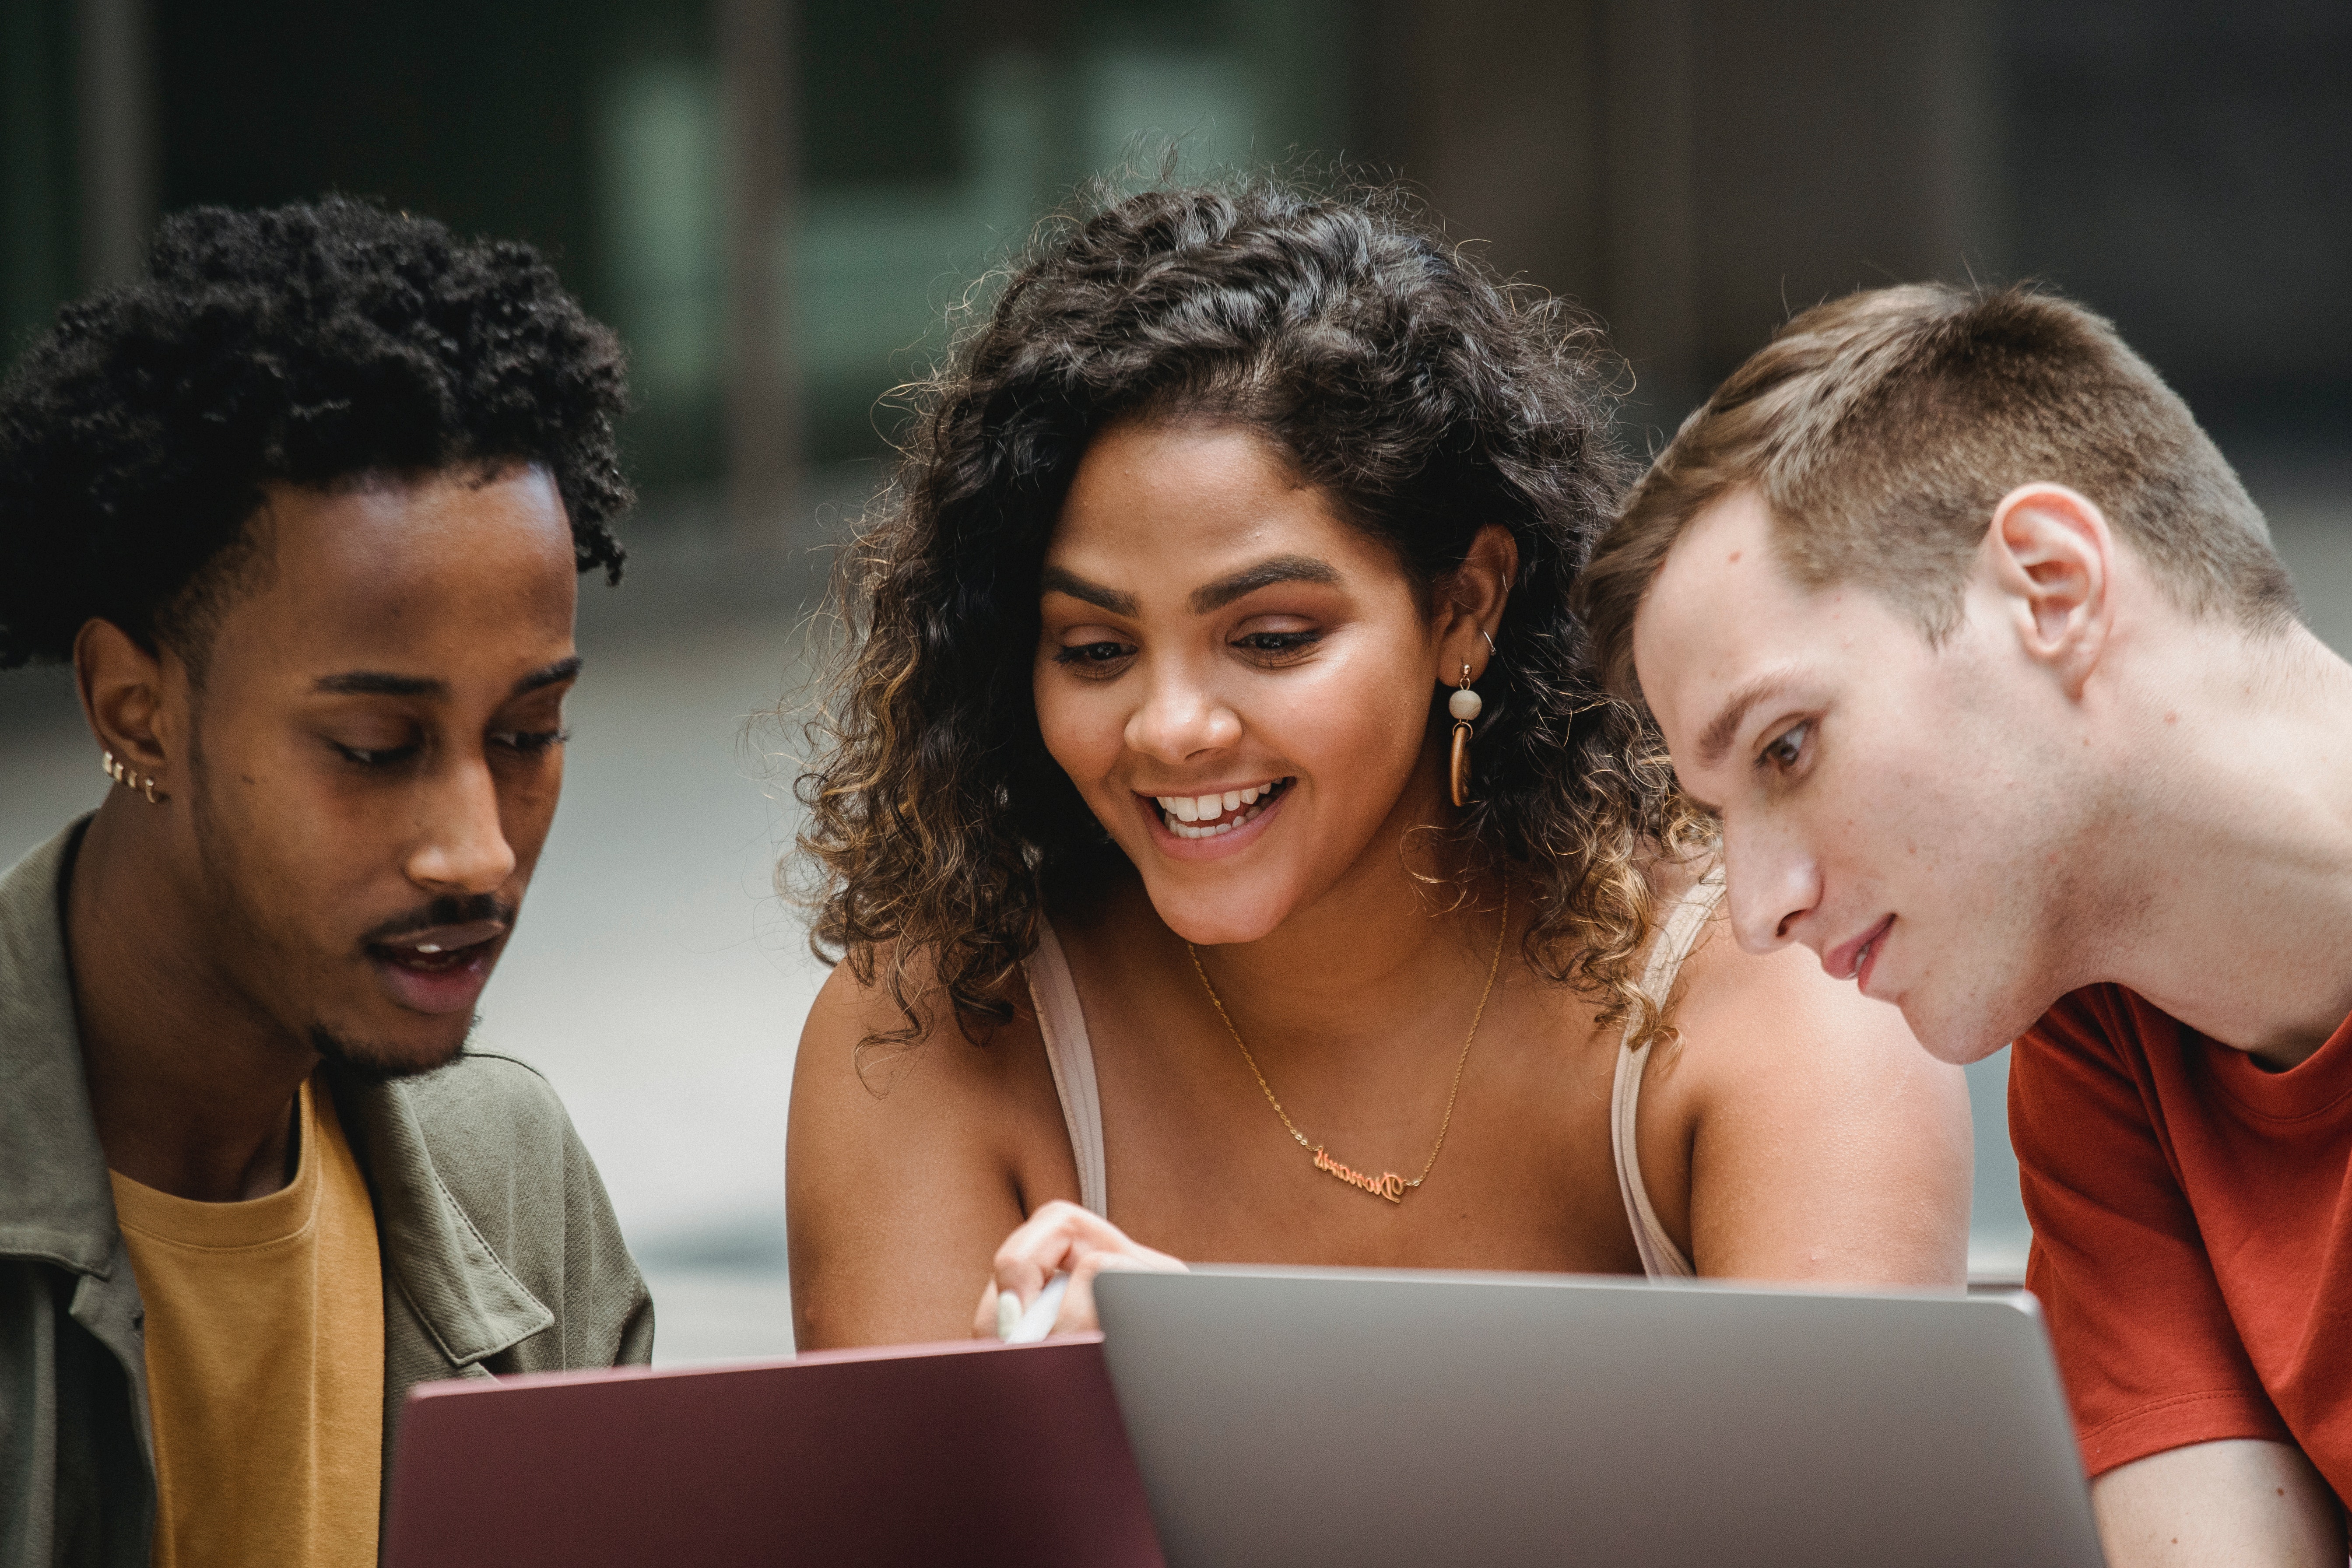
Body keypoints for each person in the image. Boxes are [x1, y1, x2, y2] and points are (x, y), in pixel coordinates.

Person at [785, 180, 1971, 1353]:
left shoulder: (1766, 992)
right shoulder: (935, 1030)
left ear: (1463, 606)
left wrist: (1234, 1397)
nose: (1172, 727)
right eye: (1095, 650)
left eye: (1270, 639)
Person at [1579, 282, 2352, 1565]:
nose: (1761, 910)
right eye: (1717, 815)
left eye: (1787, 748)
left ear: (2050, 587)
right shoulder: (2105, 1049)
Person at [0, 199, 653, 1568]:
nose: (476, 850)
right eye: (374, 748)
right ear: (135, 710)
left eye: (529, 735)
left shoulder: (514, 1184)